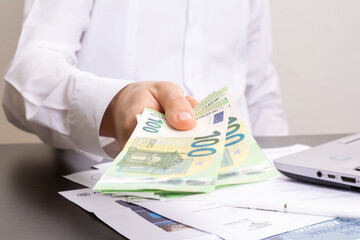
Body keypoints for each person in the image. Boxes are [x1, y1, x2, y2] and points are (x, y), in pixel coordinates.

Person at [2, 0, 288, 160]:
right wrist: (114, 106)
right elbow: (26, 76)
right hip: (105, 190)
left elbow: (260, 93)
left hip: (240, 197)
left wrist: (278, 177)